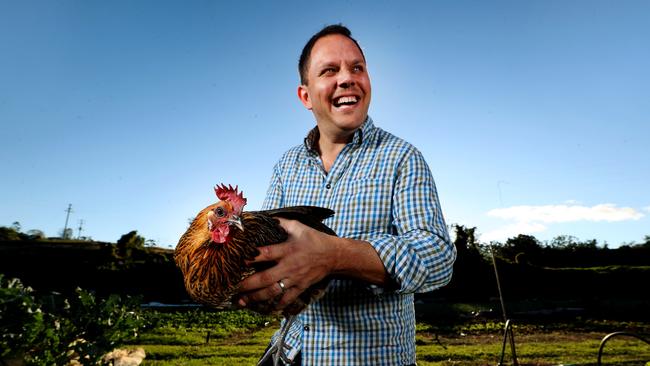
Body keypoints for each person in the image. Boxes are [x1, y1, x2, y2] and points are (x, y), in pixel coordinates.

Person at [237, 24, 456, 366]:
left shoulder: (402, 157)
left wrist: (335, 255)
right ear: (305, 96)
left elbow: (438, 258)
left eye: (357, 68)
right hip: (291, 352)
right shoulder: (287, 165)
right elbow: (269, 253)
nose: (347, 78)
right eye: (329, 71)